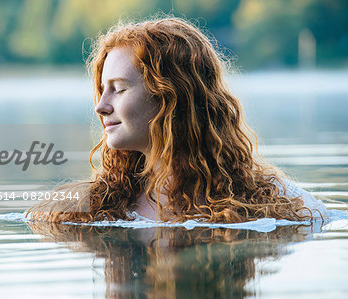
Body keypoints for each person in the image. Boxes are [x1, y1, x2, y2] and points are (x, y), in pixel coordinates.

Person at [27, 16, 326, 223]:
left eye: (118, 89)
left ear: (171, 97)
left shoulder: (275, 204)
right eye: (102, 90)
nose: (101, 107)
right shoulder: (96, 205)